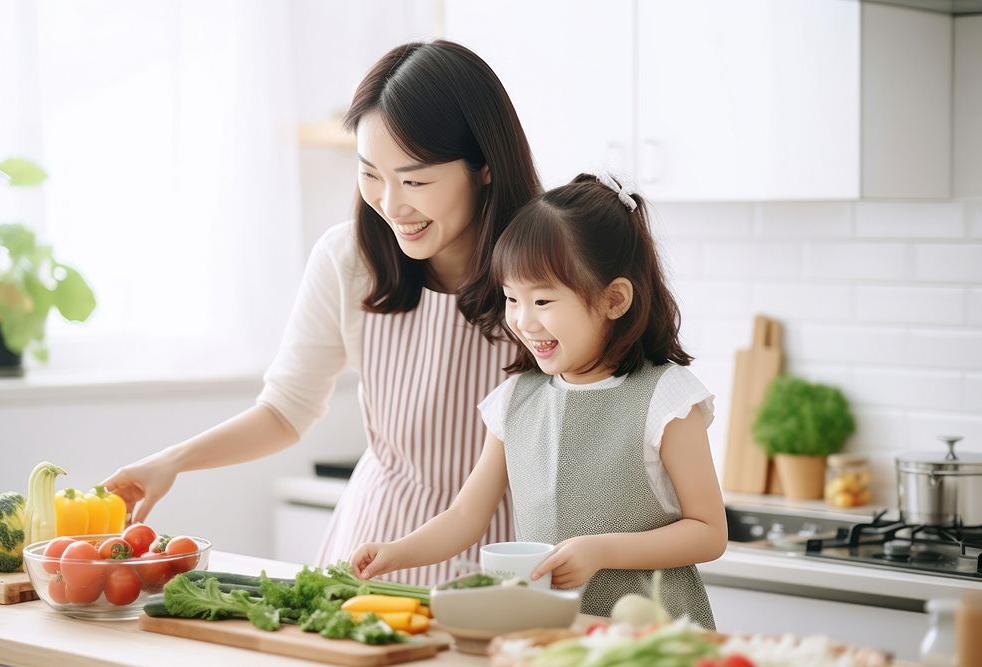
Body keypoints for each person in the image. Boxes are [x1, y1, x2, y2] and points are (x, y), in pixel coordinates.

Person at [102, 40, 542, 586]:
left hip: (505, 560)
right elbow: (285, 411)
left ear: (484, 167)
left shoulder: (549, 267)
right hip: (372, 550)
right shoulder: (349, 260)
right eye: (369, 174)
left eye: (416, 180)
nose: (391, 203)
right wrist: (172, 460)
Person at [350, 173, 727, 627]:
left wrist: (602, 550)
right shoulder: (515, 401)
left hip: (656, 638)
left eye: (543, 301)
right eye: (512, 298)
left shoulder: (666, 397)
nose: (523, 321)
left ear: (614, 299)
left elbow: (709, 533)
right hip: (554, 638)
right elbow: (466, 515)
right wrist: (397, 552)